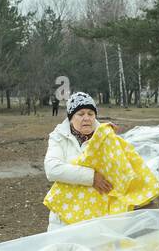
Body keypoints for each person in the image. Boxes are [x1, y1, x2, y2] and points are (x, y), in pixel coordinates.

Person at [43, 91, 113, 230]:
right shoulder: (59, 137)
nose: (86, 118)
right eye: (80, 114)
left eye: (90, 114)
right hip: (64, 217)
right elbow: (52, 169)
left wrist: (114, 139)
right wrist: (91, 177)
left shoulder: (106, 136)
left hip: (97, 214)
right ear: (71, 117)